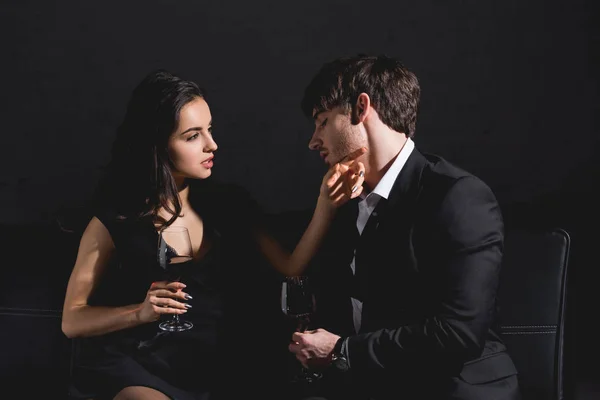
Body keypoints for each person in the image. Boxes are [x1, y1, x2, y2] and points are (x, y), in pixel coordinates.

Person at [61, 69, 366, 400]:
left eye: (209, 130)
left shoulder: (229, 205)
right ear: (157, 143)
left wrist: (326, 203)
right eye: (193, 136)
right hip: (142, 367)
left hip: (218, 365)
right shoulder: (116, 221)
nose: (212, 145)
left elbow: (291, 268)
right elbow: (72, 320)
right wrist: (139, 312)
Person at [287, 54, 520, 400]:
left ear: (361, 108)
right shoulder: (346, 200)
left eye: (322, 122)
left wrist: (342, 350)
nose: (313, 141)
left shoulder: (458, 196)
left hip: (452, 387)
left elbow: (459, 334)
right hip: (373, 384)